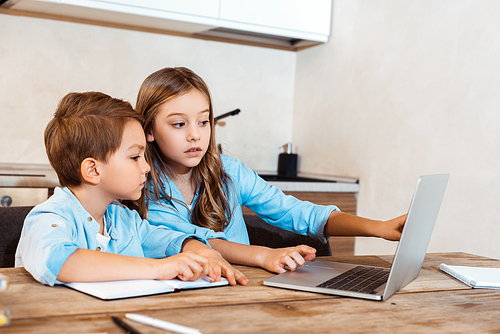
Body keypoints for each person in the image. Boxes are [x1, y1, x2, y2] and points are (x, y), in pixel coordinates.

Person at [133, 67, 406, 278]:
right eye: (179, 124)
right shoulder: (141, 187)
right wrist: (265, 256)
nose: (195, 135)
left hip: (242, 288)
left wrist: (378, 228)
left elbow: (297, 213)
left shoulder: (230, 172)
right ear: (149, 130)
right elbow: (198, 242)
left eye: (204, 121)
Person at [15, 91, 245, 287]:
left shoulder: (123, 219)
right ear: (93, 170)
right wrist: (159, 268)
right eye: (135, 157)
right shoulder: (48, 217)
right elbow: (61, 261)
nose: (146, 167)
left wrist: (203, 251)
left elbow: (165, 239)